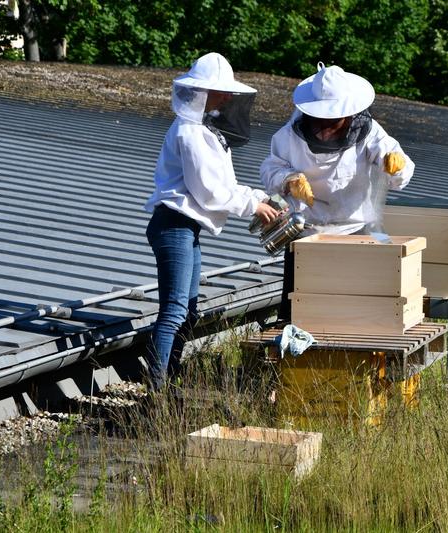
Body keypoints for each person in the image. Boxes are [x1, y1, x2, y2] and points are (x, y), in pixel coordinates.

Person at [143, 52, 279, 390]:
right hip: (173, 226)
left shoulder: (203, 130)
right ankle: (157, 391)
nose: (229, 97)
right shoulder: (189, 132)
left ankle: (168, 380)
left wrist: (259, 198)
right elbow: (209, 192)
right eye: (222, 91)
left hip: (185, 228)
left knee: (187, 311)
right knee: (175, 311)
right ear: (204, 91)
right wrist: (253, 206)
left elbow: (225, 185)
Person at [260, 62, 415, 320]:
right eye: (319, 119)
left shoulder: (370, 133)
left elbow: (400, 167)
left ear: (349, 113)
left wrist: (394, 164)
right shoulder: (288, 136)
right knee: (298, 310)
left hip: (357, 231)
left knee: (358, 312)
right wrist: (288, 179)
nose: (325, 127)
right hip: (306, 233)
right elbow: (269, 169)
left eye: (332, 120)